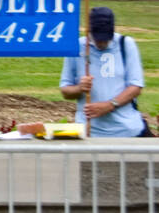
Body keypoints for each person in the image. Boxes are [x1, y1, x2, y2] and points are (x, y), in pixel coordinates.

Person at [60, 7, 149, 137]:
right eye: (98, 38)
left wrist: (109, 105)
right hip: (90, 132)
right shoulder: (75, 47)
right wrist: (79, 88)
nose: (102, 42)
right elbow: (65, 91)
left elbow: (136, 87)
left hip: (127, 130)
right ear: (89, 30)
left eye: (106, 38)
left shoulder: (126, 44)